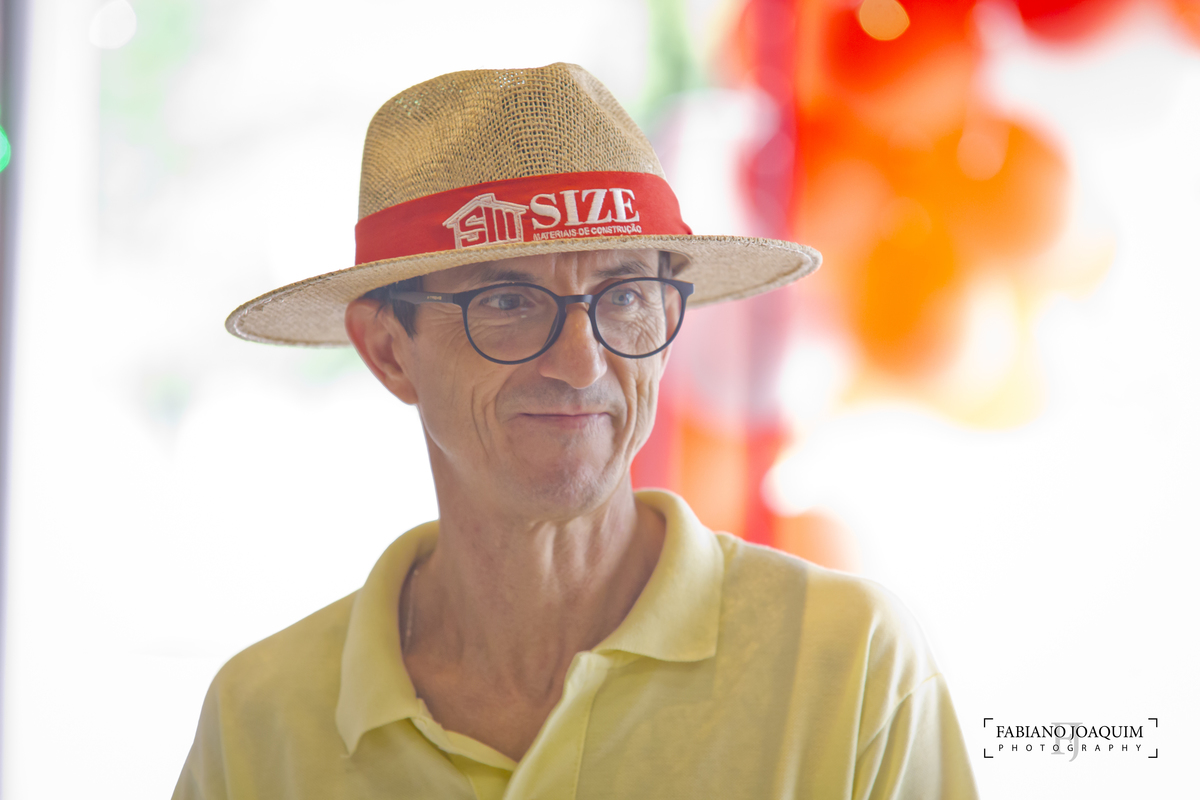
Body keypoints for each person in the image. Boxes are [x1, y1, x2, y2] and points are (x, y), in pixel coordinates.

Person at [174, 62, 978, 799]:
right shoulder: (260, 723)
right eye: (507, 301)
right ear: (389, 350)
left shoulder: (850, 668)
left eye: (623, 296)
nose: (581, 362)